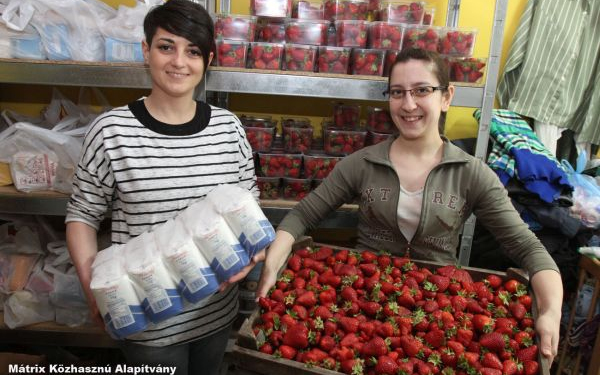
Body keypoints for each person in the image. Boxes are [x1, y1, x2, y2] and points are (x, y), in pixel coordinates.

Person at [253, 48, 562, 365]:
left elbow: (530, 250)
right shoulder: (362, 163)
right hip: (361, 307)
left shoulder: (471, 174)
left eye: (422, 90)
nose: (409, 104)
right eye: (398, 92)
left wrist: (551, 313)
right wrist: (272, 267)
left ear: (446, 96)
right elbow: (302, 215)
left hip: (439, 314)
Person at [65, 1, 260, 374]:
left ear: (208, 61)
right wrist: (94, 287)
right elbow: (82, 215)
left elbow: (248, 204)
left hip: (216, 317)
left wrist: (252, 256)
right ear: (146, 50)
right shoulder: (111, 131)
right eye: (166, 46)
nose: (179, 62)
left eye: (193, 51)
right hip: (148, 323)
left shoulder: (228, 127)